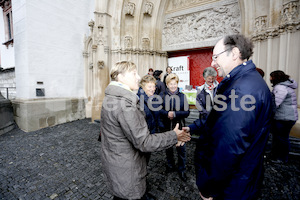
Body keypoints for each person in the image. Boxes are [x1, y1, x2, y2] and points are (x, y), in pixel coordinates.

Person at [184, 34, 273, 199]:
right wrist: (192, 127)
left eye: (216, 56)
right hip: (241, 180)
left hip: (231, 187)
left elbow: (228, 149)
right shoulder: (246, 82)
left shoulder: (241, 90)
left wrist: (208, 188)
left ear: (234, 53)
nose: (212, 63)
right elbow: (218, 122)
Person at [100, 61, 191, 200]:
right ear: (120, 77)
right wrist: (174, 136)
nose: (138, 77)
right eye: (134, 73)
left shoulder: (112, 97)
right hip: (125, 166)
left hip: (120, 161)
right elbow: (144, 142)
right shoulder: (125, 103)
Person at [160, 73, 190, 182]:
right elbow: (159, 110)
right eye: (170, 84)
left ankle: (182, 169)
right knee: (168, 148)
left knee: (181, 149)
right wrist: (167, 113)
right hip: (167, 127)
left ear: (177, 84)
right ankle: (170, 165)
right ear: (167, 85)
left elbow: (187, 112)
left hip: (180, 126)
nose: (173, 86)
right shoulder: (162, 96)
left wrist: (175, 114)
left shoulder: (182, 96)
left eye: (175, 84)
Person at [269, 70, 298, 163]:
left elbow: (275, 103)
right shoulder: (286, 86)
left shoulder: (280, 88)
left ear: (276, 77)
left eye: (271, 77)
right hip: (287, 117)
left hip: (284, 118)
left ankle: (281, 157)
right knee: (280, 137)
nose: (270, 79)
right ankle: (276, 154)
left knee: (281, 138)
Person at [137, 75, 164, 164]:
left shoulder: (153, 98)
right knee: (140, 160)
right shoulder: (138, 100)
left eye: (154, 86)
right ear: (143, 87)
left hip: (150, 135)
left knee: (146, 160)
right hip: (142, 138)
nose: (153, 89)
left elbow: (158, 114)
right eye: (149, 86)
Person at [189, 67, 219, 133]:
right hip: (205, 118)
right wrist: (206, 113)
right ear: (204, 78)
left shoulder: (220, 87)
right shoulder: (200, 89)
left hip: (218, 118)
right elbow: (198, 103)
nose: (211, 80)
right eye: (209, 78)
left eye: (213, 78)